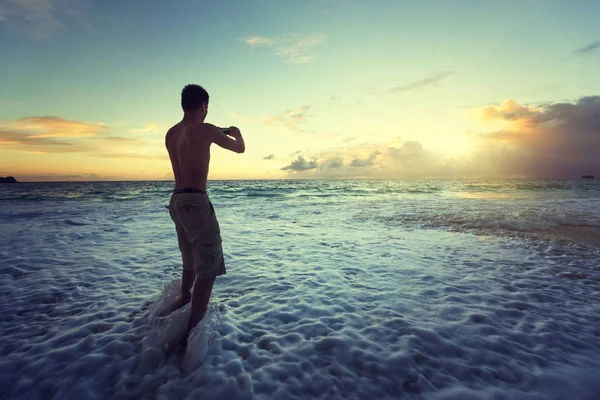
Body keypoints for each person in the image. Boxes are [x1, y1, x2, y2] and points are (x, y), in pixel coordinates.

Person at [165, 84, 245, 336]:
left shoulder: (171, 133)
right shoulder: (206, 129)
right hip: (196, 201)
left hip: (176, 201)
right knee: (207, 271)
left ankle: (181, 307)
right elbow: (239, 148)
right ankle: (191, 333)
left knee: (189, 264)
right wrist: (237, 133)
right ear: (203, 105)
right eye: (207, 107)